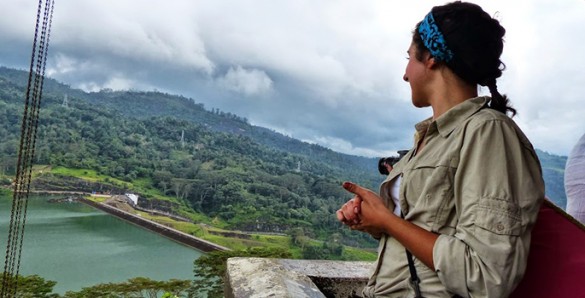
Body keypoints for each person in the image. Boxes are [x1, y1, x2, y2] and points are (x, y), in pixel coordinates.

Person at [336, 2, 545, 297]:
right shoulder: (432, 137)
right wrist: (377, 219)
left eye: (409, 58)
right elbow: (428, 231)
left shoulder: (487, 132)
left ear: (431, 58)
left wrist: (389, 221)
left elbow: (487, 276)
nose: (405, 74)